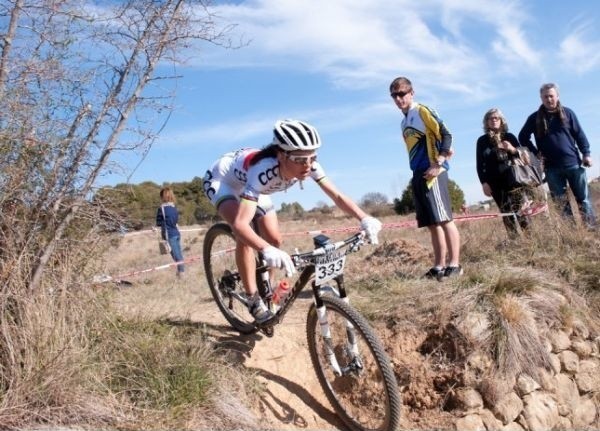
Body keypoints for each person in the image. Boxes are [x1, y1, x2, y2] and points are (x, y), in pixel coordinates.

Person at [202, 119, 382, 323]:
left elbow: (337, 196)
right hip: (223, 181)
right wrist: (264, 249)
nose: (307, 165)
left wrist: (364, 217)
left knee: (275, 240)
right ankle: (252, 299)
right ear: (281, 154)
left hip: (252, 185)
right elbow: (241, 225)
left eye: (312, 158)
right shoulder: (263, 171)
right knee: (245, 237)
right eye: (299, 159)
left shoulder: (309, 164)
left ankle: (266, 289)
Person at [389, 76, 462, 280]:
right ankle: (439, 266)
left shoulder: (422, 111)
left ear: (411, 93)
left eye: (402, 94)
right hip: (418, 173)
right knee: (432, 222)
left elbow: (447, 134)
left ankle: (455, 265)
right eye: (394, 95)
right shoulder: (404, 122)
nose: (398, 98)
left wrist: (439, 162)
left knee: (445, 219)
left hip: (434, 173)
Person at [518, 83, 596, 228]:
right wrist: (535, 153)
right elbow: (522, 137)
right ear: (541, 98)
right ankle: (572, 233)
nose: (548, 99)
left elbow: (580, 135)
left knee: (583, 199)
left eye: (551, 96)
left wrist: (586, 153)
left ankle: (590, 229)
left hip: (573, 164)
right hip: (551, 168)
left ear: (557, 96)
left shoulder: (568, 113)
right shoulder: (534, 118)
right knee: (561, 203)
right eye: (545, 96)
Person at [476, 108, 532, 238]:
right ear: (486, 122)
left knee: (522, 211)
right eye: (491, 118)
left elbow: (525, 158)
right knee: (506, 213)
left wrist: (512, 149)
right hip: (494, 183)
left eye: (497, 118)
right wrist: (484, 183)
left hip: (514, 180)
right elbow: (480, 164)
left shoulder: (510, 136)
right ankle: (515, 242)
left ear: (502, 121)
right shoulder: (482, 141)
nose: (494, 120)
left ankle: (530, 241)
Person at [156, 187, 185, 278]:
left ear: (163, 196)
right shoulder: (174, 207)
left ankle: (181, 274)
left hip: (169, 235)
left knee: (176, 255)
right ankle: (180, 272)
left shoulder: (161, 209)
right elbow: (176, 220)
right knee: (179, 254)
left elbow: (158, 222)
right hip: (176, 233)